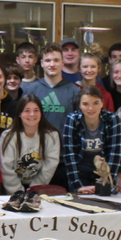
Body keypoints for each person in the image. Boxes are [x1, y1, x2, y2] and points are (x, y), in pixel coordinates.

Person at [22, 44, 78, 187]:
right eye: (47, 60)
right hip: (35, 158)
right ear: (41, 63)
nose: (52, 64)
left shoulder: (74, 91)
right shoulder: (31, 90)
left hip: (64, 160)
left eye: (56, 60)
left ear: (62, 62)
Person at [62, 86, 121, 194]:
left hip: (103, 174)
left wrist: (106, 183)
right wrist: (77, 185)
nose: (91, 108)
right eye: (85, 104)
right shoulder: (72, 119)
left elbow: (115, 153)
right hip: (80, 173)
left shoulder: (112, 119)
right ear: (79, 105)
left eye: (95, 103)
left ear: (102, 103)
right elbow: (69, 155)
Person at [0, 95, 61, 193]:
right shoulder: (8, 136)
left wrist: (34, 190)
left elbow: (50, 166)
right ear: (19, 114)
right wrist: (18, 192)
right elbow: (5, 167)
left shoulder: (52, 136)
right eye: (27, 110)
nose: (32, 114)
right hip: (11, 189)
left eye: (36, 110)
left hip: (39, 187)